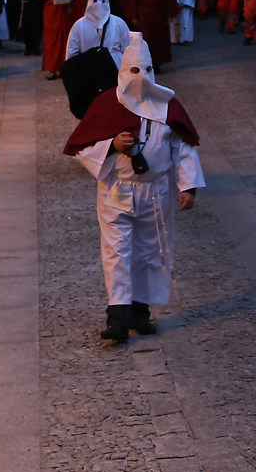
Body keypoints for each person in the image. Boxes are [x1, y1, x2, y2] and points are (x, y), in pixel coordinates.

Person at [63, 33, 205, 346]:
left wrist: (189, 185)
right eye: (134, 72)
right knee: (117, 252)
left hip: (155, 191)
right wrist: (111, 146)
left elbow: (183, 146)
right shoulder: (105, 105)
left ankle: (140, 312)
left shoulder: (167, 105)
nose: (140, 80)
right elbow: (81, 147)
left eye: (146, 71)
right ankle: (117, 317)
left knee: (150, 252)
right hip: (117, 190)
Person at [40, 0, 82, 76]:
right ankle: (52, 68)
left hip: (65, 14)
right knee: (52, 41)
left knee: (65, 42)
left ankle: (65, 68)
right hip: (52, 12)